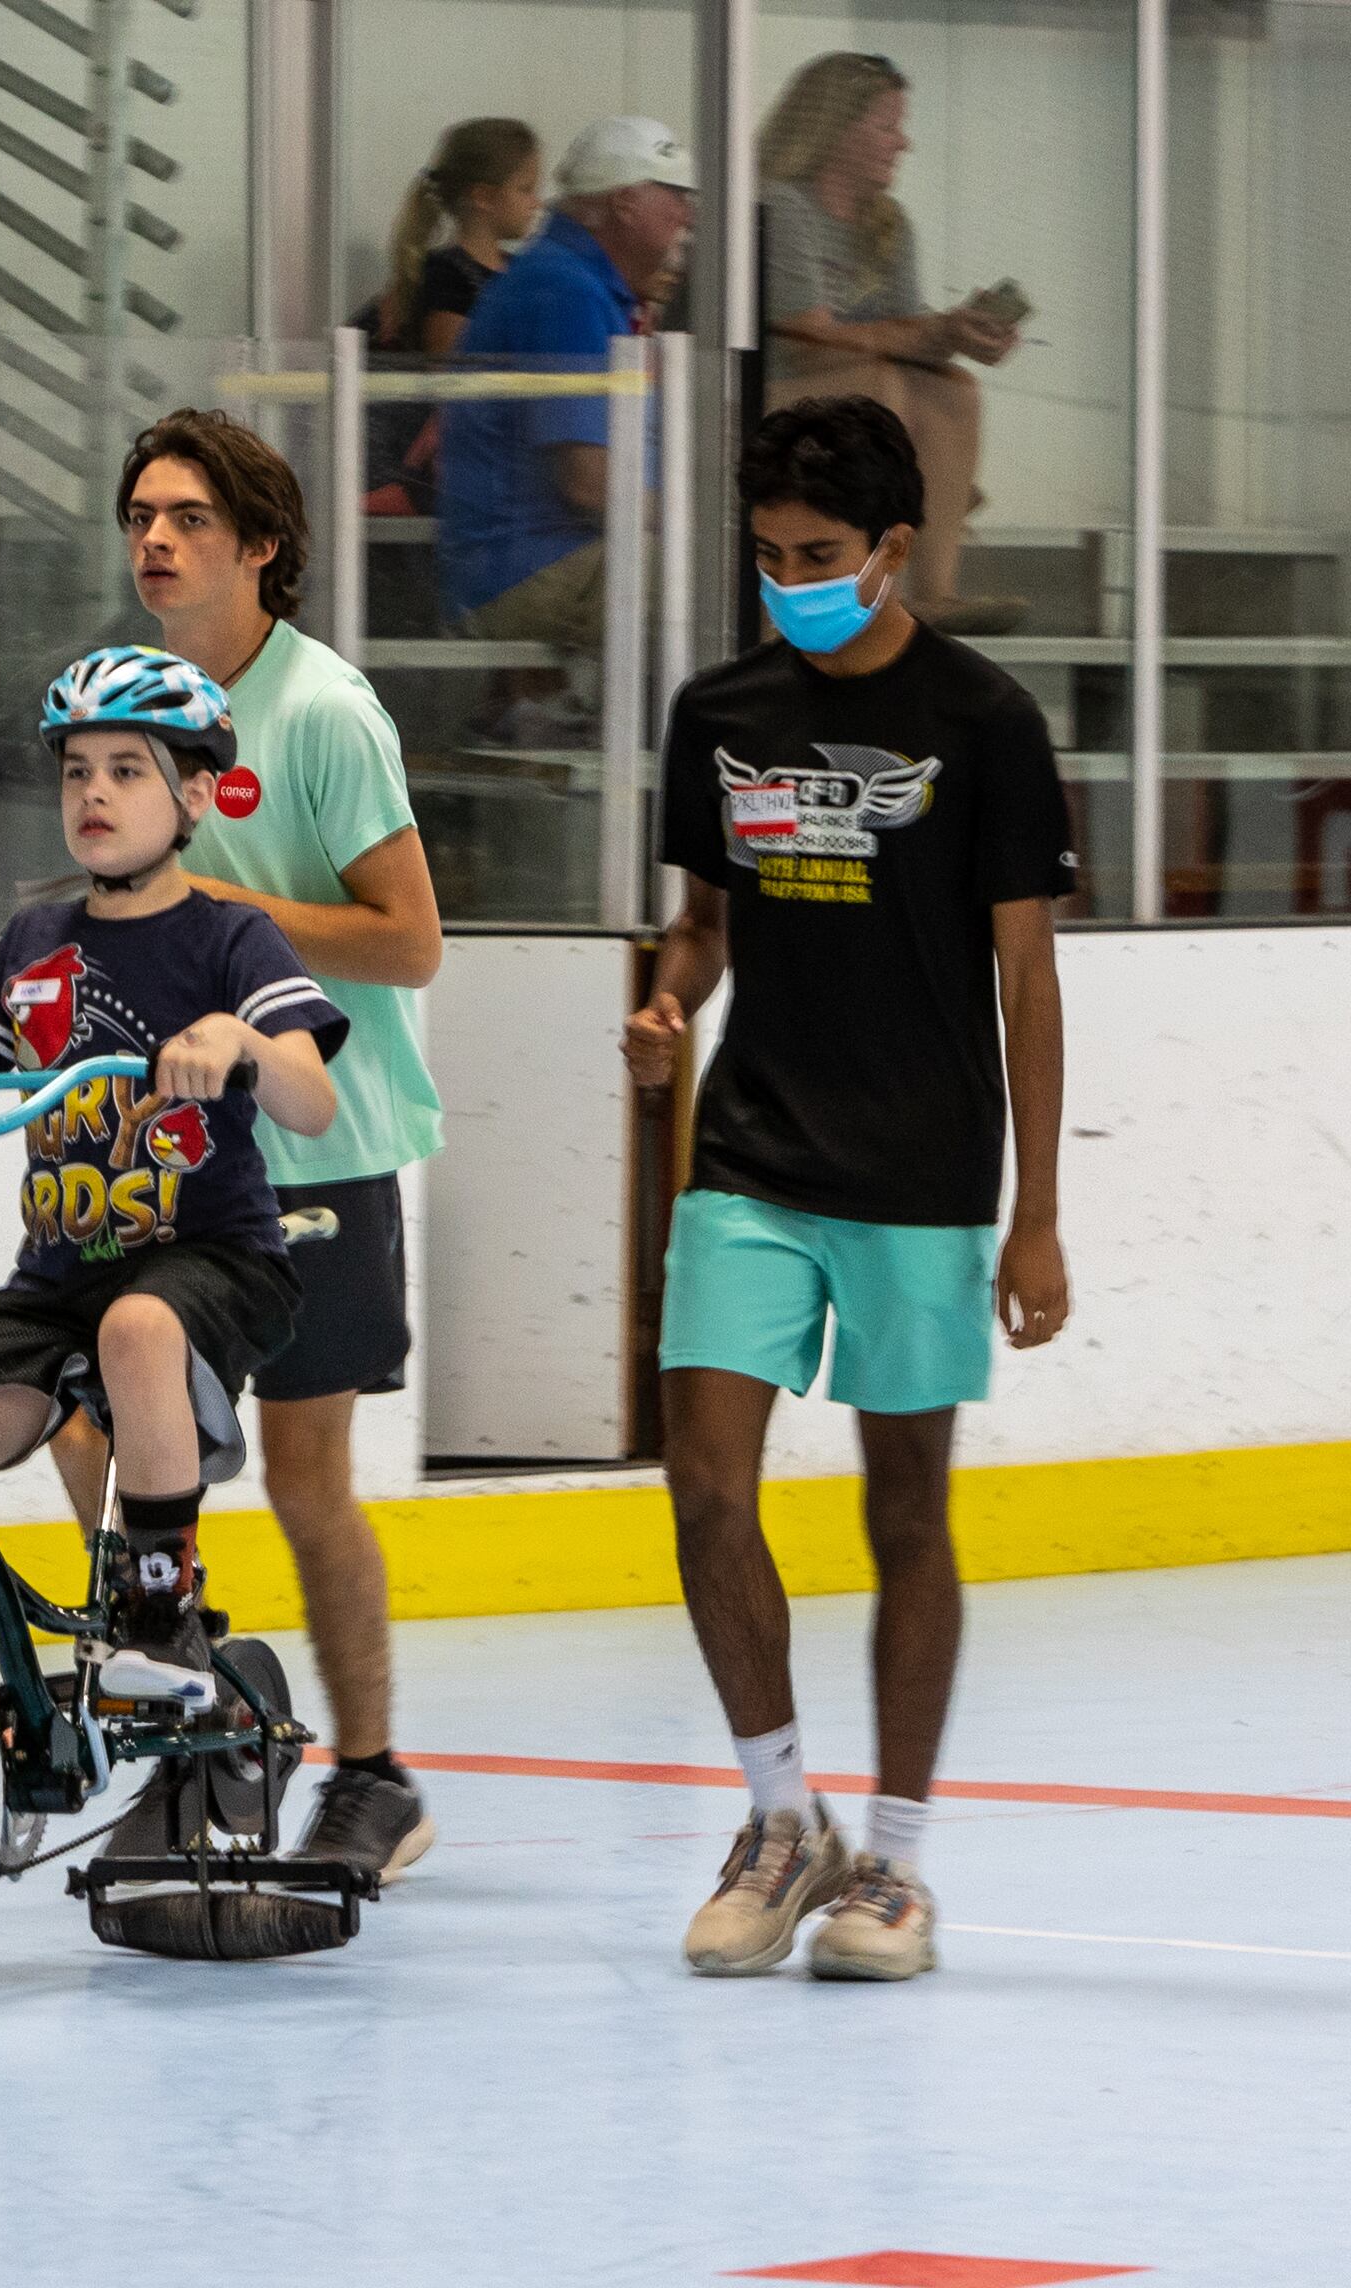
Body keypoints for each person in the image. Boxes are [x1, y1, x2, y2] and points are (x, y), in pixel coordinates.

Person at [624, 397, 1073, 1982]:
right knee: (705, 1484)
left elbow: (1027, 978)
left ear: (894, 549)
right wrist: (672, 1000)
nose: (789, 582)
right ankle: (775, 1818)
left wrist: (1035, 1211)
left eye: (818, 556)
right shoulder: (721, 710)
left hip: (925, 1179)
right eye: (766, 556)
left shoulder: (988, 724)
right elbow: (706, 920)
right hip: (748, 1160)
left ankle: (896, 1864)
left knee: (907, 1517)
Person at [0, 645, 345, 1860]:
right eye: (78, 770)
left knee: (139, 1327)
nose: (94, 792)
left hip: (211, 1260)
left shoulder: (231, 940)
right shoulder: (35, 942)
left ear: (195, 797)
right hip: (58, 1281)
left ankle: (157, 1616)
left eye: (127, 770)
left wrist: (237, 1043)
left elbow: (311, 1098)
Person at [58, 411, 444, 1886]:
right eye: (140, 515)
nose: (154, 540)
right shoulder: (130, 715)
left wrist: (225, 911)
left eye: (189, 518)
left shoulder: (325, 715)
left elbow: (410, 944)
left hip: (316, 1150)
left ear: (262, 547)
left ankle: (374, 1774)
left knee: (303, 1475)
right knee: (98, 1423)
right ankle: (191, 1706)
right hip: (164, 1156)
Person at [759, 51, 1026, 634]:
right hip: (761, 404)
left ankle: (934, 592)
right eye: (887, 125)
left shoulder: (890, 224)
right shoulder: (782, 206)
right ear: (835, 130)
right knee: (878, 387)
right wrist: (929, 332)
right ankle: (875, 589)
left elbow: (911, 341)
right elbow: (807, 342)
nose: (902, 143)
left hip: (836, 407)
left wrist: (960, 334)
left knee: (953, 388)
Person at [437, 115, 695, 659]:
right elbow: (590, 484)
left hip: (546, 557)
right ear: (626, 204)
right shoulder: (566, 291)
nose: (687, 215)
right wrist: (705, 517)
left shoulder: (571, 280)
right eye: (674, 195)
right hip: (532, 570)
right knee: (750, 577)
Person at [356, 117, 540, 513]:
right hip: (448, 477)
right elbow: (455, 387)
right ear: (484, 197)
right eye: (526, 190)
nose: (536, 203)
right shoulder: (448, 277)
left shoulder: (518, 271)